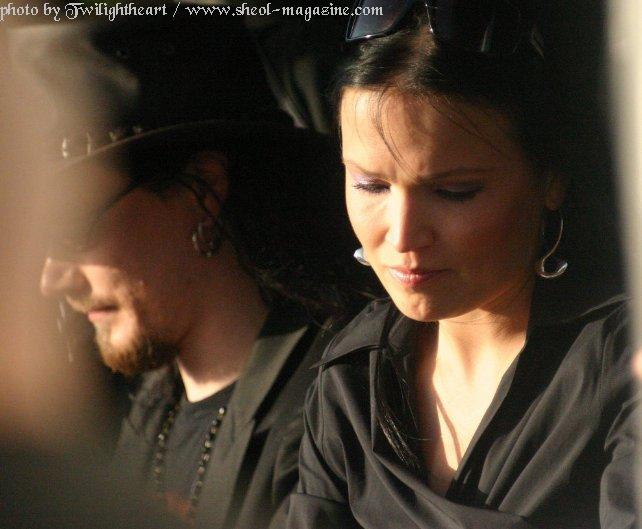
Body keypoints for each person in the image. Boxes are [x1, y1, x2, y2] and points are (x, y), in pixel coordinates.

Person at [287, 2, 637, 528]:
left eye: (454, 192)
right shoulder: (353, 376)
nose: (402, 235)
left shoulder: (620, 373)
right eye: (371, 186)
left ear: (550, 179)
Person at [18, 10, 366, 529]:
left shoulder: (337, 412)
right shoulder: (135, 405)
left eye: (71, 230)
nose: (53, 279)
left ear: (202, 188)